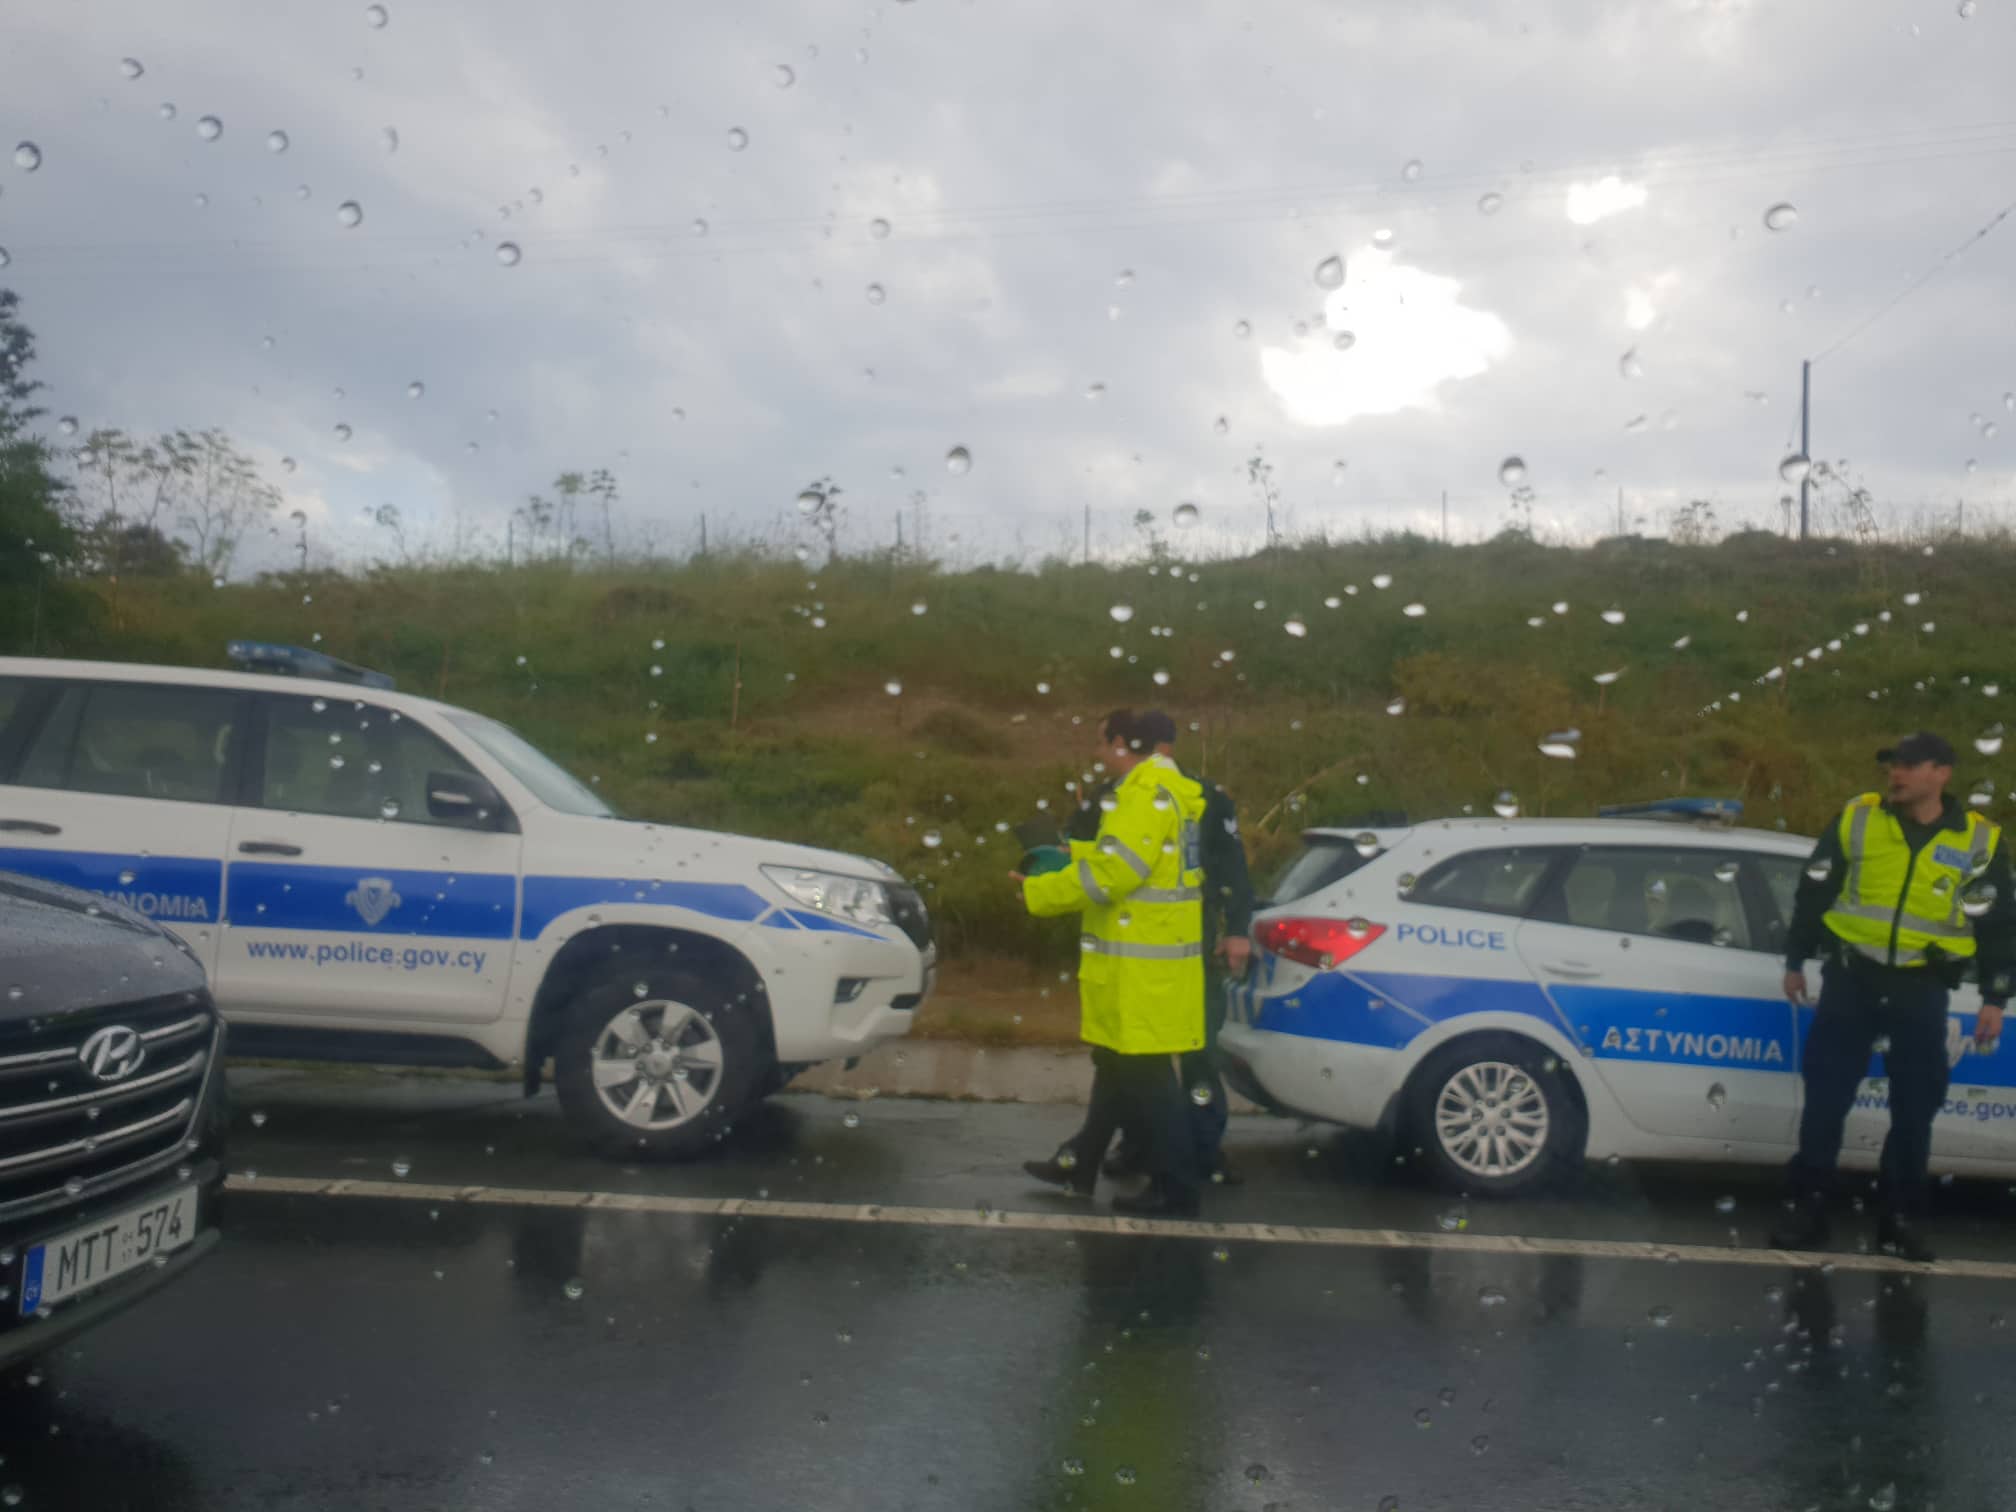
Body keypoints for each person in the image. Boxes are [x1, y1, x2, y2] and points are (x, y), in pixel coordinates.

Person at [1770, 731, 2016, 1261]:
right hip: (1852, 978)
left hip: (1921, 986)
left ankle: (1900, 1222)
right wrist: (1795, 959)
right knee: (1825, 1100)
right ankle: (1807, 1212)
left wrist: (1996, 996)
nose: (1895, 774)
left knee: (1915, 1109)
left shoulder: (1979, 840)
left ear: (1941, 773)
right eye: (1892, 765)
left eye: (1908, 765)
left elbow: (1998, 923)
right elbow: (1815, 888)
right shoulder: (1860, 818)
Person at [1014, 708, 1210, 1216]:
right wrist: (1073, 854)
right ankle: (1079, 1164)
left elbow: (1113, 876)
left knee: (1146, 1075)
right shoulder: (1164, 792)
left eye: (1102, 743)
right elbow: (1126, 860)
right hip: (1147, 962)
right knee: (1117, 1067)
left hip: (1140, 966)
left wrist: (1040, 890)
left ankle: (1177, 1188)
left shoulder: (1144, 796)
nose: (1097, 753)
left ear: (1123, 743)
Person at [1094, 710, 1254, 1185]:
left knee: (1196, 1050)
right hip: (1135, 945)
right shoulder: (1116, 795)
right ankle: (1140, 1145)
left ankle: (1200, 1150)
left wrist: (1236, 928)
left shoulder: (1203, 797)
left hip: (1189, 944)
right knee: (1134, 1056)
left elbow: (1231, 866)